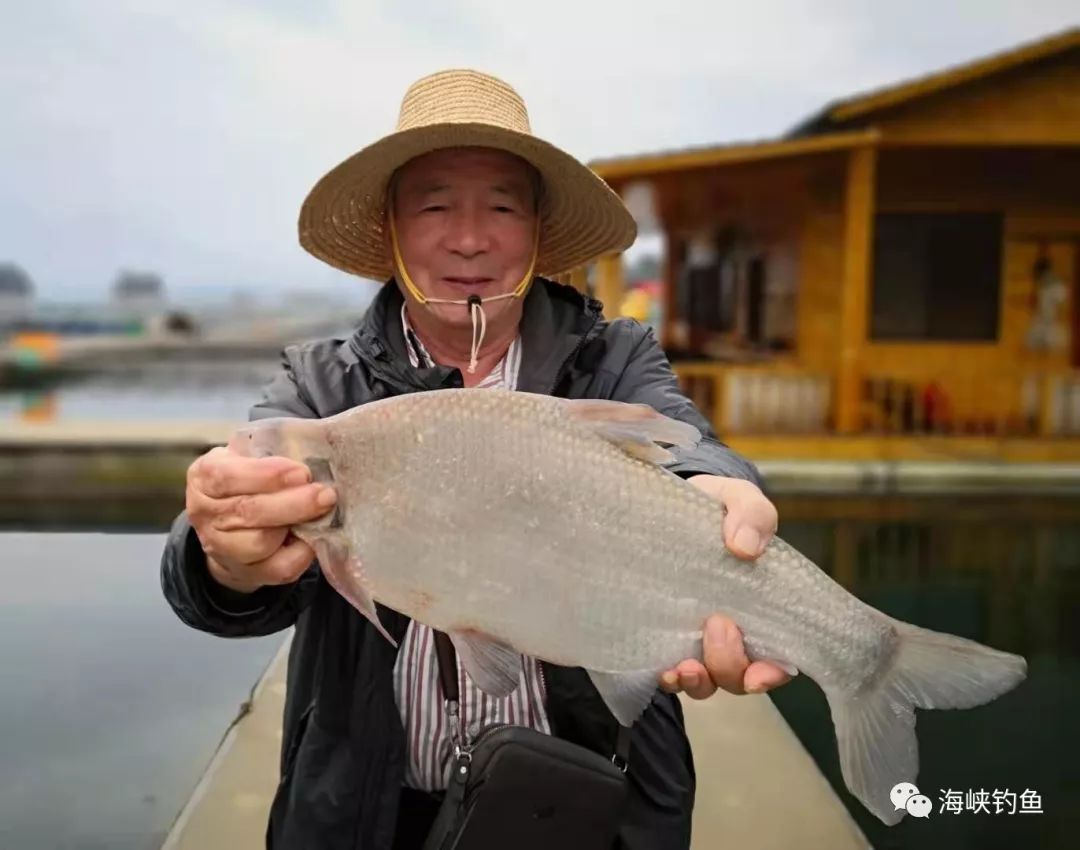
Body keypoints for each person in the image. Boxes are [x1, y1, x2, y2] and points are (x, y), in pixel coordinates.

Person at [161, 69, 790, 850]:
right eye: (433, 205)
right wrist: (222, 550)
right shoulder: (321, 384)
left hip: (584, 796)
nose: (468, 237)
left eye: (501, 205)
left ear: (535, 231)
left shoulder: (614, 356)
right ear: (391, 228)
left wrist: (727, 492)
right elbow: (225, 575)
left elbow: (695, 448)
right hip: (366, 809)